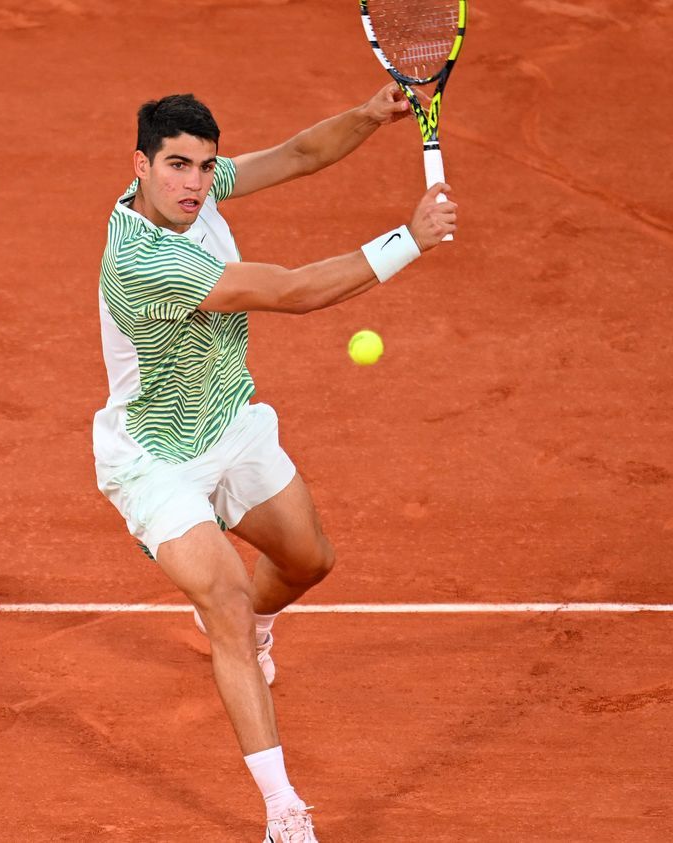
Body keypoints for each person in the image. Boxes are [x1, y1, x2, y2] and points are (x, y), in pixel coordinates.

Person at [92, 85, 456, 842]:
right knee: (223, 597)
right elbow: (289, 291)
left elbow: (295, 155)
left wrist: (369, 114)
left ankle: (255, 625)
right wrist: (408, 241)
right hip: (155, 459)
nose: (194, 183)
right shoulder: (143, 261)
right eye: (176, 167)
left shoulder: (196, 192)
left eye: (204, 167)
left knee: (308, 560)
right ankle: (283, 809)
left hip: (230, 423)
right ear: (141, 166)